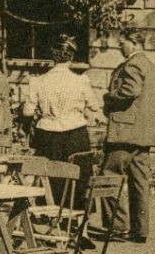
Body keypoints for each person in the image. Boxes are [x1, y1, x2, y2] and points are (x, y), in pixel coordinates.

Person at [21, 35, 103, 202]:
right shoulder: (81, 81)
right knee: (76, 175)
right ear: (71, 57)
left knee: (49, 175)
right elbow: (94, 106)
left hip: (47, 134)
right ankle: (75, 215)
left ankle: (48, 213)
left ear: (53, 56)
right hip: (75, 135)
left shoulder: (38, 81)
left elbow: (28, 112)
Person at [101, 26, 155, 244]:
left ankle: (117, 228)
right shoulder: (151, 66)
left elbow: (130, 91)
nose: (119, 45)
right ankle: (140, 230)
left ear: (134, 43)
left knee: (109, 177)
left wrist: (109, 97)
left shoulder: (133, 64)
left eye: (123, 42)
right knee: (140, 182)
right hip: (144, 135)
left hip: (124, 133)